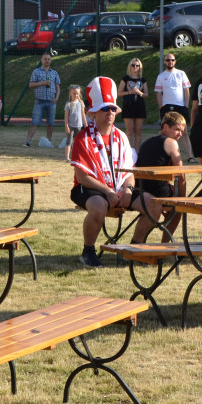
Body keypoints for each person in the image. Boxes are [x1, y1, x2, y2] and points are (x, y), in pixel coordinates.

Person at [69, 77, 135, 267]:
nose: (110, 113)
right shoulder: (83, 138)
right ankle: (88, 251)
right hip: (89, 187)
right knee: (99, 206)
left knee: (152, 204)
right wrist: (108, 192)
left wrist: (128, 190)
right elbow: (81, 177)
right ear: (93, 114)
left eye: (113, 108)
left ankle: (136, 249)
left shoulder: (122, 137)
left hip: (119, 188)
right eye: (105, 109)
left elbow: (129, 172)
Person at [133, 111, 188, 244]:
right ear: (165, 127)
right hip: (157, 190)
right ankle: (164, 244)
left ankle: (139, 243)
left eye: (182, 131)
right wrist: (183, 197)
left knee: (173, 205)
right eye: (177, 130)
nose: (180, 134)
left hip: (139, 189)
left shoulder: (147, 142)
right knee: (179, 208)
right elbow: (181, 174)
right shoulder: (171, 143)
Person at [24, 53, 61, 147]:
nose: (47, 60)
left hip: (51, 101)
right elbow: (31, 85)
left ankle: (48, 142)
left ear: (50, 60)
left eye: (48, 59)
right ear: (41, 60)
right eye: (45, 59)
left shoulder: (54, 73)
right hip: (39, 101)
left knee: (50, 123)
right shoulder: (36, 71)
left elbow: (57, 86)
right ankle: (28, 141)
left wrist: (56, 98)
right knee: (35, 122)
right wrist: (42, 83)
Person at [155, 52, 192, 127]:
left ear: (175, 61)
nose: (170, 62)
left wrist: (186, 106)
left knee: (183, 131)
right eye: (168, 60)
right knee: (166, 130)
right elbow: (158, 93)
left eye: (172, 60)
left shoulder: (181, 73)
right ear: (164, 62)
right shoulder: (160, 76)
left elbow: (186, 90)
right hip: (166, 106)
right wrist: (161, 108)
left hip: (180, 106)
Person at [117, 58, 148, 149]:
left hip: (139, 105)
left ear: (140, 67)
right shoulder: (125, 78)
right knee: (129, 131)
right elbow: (118, 93)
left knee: (138, 131)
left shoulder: (142, 79)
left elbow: (146, 94)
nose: (135, 67)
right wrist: (129, 92)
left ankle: (137, 154)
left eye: (137, 65)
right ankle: (129, 153)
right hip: (128, 105)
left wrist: (139, 93)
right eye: (133, 65)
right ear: (130, 66)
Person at [63, 84, 86, 161]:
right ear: (70, 93)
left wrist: (85, 124)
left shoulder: (81, 103)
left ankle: (77, 156)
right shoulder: (68, 103)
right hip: (71, 125)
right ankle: (67, 157)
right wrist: (66, 126)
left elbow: (83, 114)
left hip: (79, 125)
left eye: (77, 93)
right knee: (69, 140)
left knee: (78, 141)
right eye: (74, 93)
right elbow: (66, 116)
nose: (76, 95)